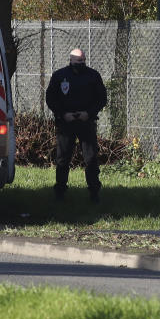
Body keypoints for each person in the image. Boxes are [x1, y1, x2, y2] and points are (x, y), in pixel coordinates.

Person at [45, 48, 107, 203]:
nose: (81, 63)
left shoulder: (93, 75)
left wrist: (89, 113)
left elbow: (102, 98)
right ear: (71, 59)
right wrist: (62, 114)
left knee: (91, 158)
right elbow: (51, 98)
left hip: (86, 122)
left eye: (83, 60)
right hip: (66, 122)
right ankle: (60, 191)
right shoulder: (60, 76)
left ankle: (94, 192)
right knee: (62, 158)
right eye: (78, 61)